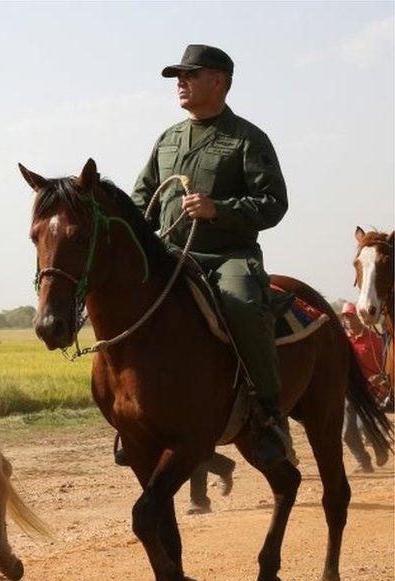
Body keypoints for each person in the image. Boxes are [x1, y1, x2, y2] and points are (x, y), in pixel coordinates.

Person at [132, 44, 290, 469]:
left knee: (240, 301)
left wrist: (218, 209)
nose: (180, 83)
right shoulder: (167, 139)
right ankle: (133, 415)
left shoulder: (247, 138)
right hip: (171, 255)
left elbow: (274, 203)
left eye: (189, 74)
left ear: (218, 80)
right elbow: (142, 196)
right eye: (177, 77)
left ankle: (267, 412)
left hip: (226, 257)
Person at [340, 301, 389, 471]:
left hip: (372, 391)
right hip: (352, 392)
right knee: (347, 432)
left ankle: (380, 448)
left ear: (360, 318)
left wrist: (382, 378)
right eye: (346, 317)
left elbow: (387, 363)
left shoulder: (375, 340)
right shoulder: (343, 342)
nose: (348, 320)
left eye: (351, 316)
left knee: (364, 426)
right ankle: (364, 463)